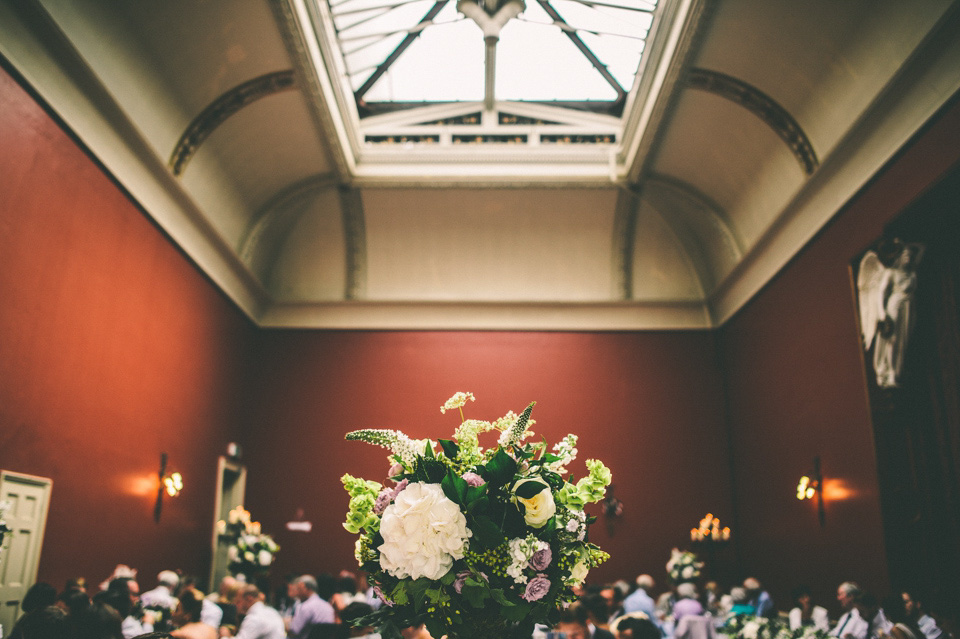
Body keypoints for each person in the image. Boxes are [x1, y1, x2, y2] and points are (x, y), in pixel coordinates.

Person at [286, 575, 335, 639]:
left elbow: (294, 632)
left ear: (303, 587)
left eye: (298, 588)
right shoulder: (327, 606)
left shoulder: (306, 606)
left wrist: (283, 623)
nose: (297, 592)